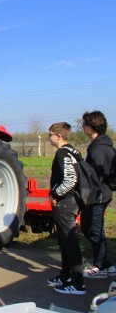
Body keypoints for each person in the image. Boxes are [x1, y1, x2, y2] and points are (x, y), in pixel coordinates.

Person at [47, 122, 85, 295]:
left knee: (69, 242)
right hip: (71, 201)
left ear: (59, 136)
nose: (49, 138)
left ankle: (78, 283)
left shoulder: (63, 153)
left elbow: (70, 180)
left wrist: (55, 194)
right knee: (64, 241)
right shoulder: (75, 152)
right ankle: (65, 275)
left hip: (65, 203)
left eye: (50, 135)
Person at [80, 111, 116, 278]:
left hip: (97, 197)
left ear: (92, 126)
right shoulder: (101, 145)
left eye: (84, 123)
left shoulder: (99, 150)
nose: (82, 126)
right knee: (95, 230)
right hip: (101, 195)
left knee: (92, 230)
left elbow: (95, 177)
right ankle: (107, 264)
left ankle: (99, 267)